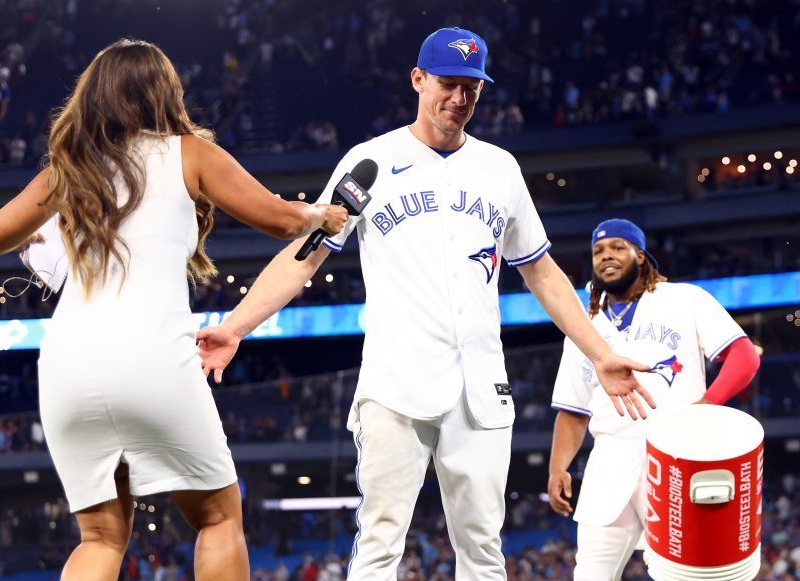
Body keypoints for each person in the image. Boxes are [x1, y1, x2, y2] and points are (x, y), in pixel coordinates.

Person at [197, 28, 655, 580]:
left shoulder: (500, 169)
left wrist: (600, 354)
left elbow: (542, 272)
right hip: (395, 385)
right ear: (417, 80)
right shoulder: (370, 162)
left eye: (471, 88)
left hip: (481, 387)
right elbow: (307, 254)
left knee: (484, 552)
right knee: (379, 547)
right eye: (447, 84)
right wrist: (236, 327)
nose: (459, 99)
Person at [0, 39, 347, 581]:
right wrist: (320, 214)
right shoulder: (186, 152)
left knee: (100, 537)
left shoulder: (69, 169)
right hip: (149, 356)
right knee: (218, 518)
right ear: (163, 94)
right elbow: (280, 221)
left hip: (64, 369)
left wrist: (54, 211)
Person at [547, 219, 761, 580]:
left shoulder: (683, 299)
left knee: (684, 576)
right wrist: (557, 467)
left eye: (617, 247)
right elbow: (572, 410)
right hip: (608, 463)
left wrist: (708, 405)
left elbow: (744, 357)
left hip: (675, 460)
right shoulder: (583, 328)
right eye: (598, 251)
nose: (606, 256)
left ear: (640, 256)